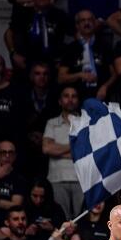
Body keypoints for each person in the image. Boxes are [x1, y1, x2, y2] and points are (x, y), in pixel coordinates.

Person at [58, 9, 116, 101]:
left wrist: (105, 86)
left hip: (101, 95)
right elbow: (61, 78)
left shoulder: (105, 46)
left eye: (90, 20)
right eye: (83, 20)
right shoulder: (70, 49)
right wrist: (79, 75)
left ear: (95, 23)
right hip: (77, 98)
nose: (87, 23)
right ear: (77, 26)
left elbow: (114, 74)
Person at [42, 87, 83, 219]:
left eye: (74, 96)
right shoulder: (52, 123)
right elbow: (46, 149)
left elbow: (87, 151)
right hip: (57, 178)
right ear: (60, 101)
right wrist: (74, 146)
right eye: (66, 96)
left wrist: (57, 150)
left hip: (81, 178)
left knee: (80, 219)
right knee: (60, 220)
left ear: (78, 100)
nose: (70, 99)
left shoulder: (86, 123)